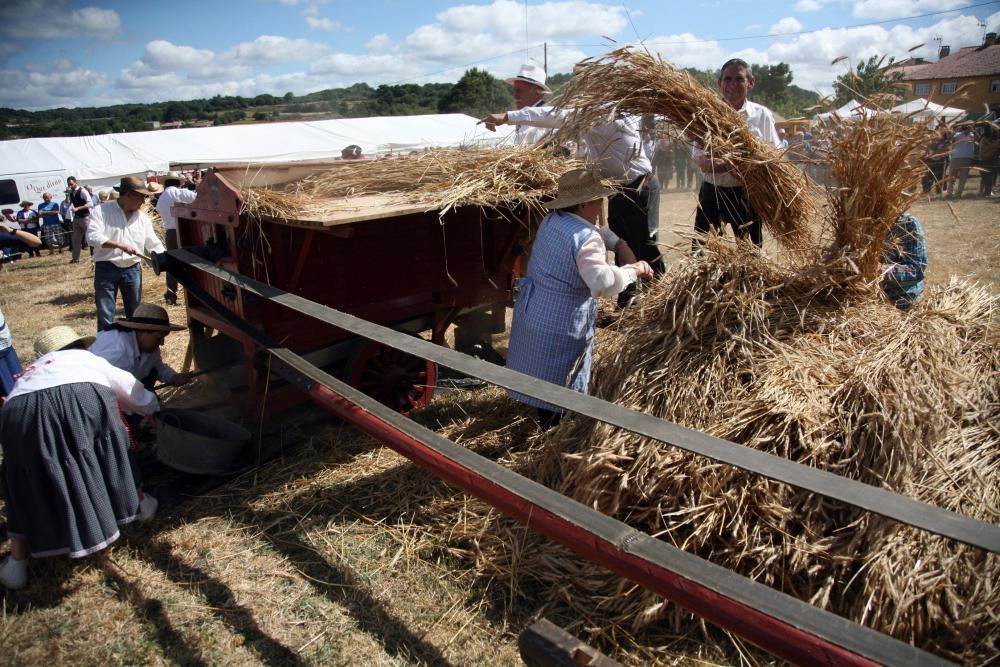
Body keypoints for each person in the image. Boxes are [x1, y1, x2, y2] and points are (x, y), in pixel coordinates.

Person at [0, 326, 159, 590]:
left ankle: (16, 565)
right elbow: (132, 391)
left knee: (23, 481)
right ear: (77, 346)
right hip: (77, 397)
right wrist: (153, 408)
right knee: (114, 444)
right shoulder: (86, 359)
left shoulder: (30, 373)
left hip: (17, 412)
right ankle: (141, 506)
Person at [480, 71, 665, 288]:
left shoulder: (605, 111)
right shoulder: (592, 113)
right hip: (617, 188)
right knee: (622, 242)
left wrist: (508, 116)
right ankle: (629, 302)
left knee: (644, 244)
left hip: (639, 186)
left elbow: (552, 116)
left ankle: (661, 298)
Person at [505, 169, 654, 428]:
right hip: (561, 324)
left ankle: (547, 425)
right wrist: (634, 270)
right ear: (584, 204)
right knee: (561, 399)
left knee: (541, 384)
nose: (601, 206)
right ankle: (553, 446)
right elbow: (603, 284)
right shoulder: (587, 240)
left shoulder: (553, 220)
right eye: (598, 200)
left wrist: (618, 243)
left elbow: (595, 231)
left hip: (535, 311)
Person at [692, 58, 782, 248]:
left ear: (751, 83)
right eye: (727, 79)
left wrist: (727, 164)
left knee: (750, 252)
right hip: (711, 192)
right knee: (700, 252)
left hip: (747, 195)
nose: (732, 84)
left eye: (739, 79)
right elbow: (698, 157)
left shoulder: (762, 115)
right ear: (719, 83)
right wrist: (728, 164)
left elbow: (775, 154)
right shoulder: (706, 115)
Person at [86, 176, 166, 332]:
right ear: (128, 195)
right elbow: (92, 236)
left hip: (132, 269)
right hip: (106, 267)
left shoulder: (142, 219)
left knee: (135, 314)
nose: (144, 201)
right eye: (141, 196)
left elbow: (153, 243)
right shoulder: (101, 211)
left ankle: (133, 348)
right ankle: (106, 347)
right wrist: (119, 245)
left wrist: (165, 259)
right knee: (105, 315)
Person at [89, 302, 192, 389]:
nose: (162, 343)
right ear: (142, 332)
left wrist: (173, 377)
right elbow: (104, 388)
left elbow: (156, 365)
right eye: (159, 338)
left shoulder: (148, 345)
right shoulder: (118, 352)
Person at [155, 171, 197, 305]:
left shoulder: (161, 198)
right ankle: (193, 293)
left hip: (170, 233)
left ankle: (171, 295)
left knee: (171, 264)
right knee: (190, 262)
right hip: (185, 231)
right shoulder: (180, 193)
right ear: (178, 183)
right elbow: (199, 198)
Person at [881, 212, 928, 309]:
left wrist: (882, 271)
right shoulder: (857, 221)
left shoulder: (907, 224)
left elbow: (916, 270)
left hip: (901, 301)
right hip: (870, 298)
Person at [67, 175, 94, 263]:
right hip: (76, 218)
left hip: (85, 217)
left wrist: (78, 208)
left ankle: (94, 257)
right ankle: (75, 259)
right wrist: (67, 194)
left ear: (76, 182)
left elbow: (90, 204)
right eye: (68, 184)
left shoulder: (82, 191)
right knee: (76, 239)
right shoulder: (71, 192)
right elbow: (67, 203)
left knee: (90, 238)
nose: (70, 186)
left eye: (71, 184)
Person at [946, 123, 976, 199]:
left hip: (966, 158)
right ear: (964, 128)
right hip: (955, 157)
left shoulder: (973, 134)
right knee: (952, 177)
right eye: (967, 127)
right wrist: (953, 131)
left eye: (970, 127)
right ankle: (950, 193)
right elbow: (950, 139)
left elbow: (978, 139)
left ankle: (958, 194)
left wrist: (973, 131)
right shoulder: (958, 134)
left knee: (963, 178)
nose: (969, 128)